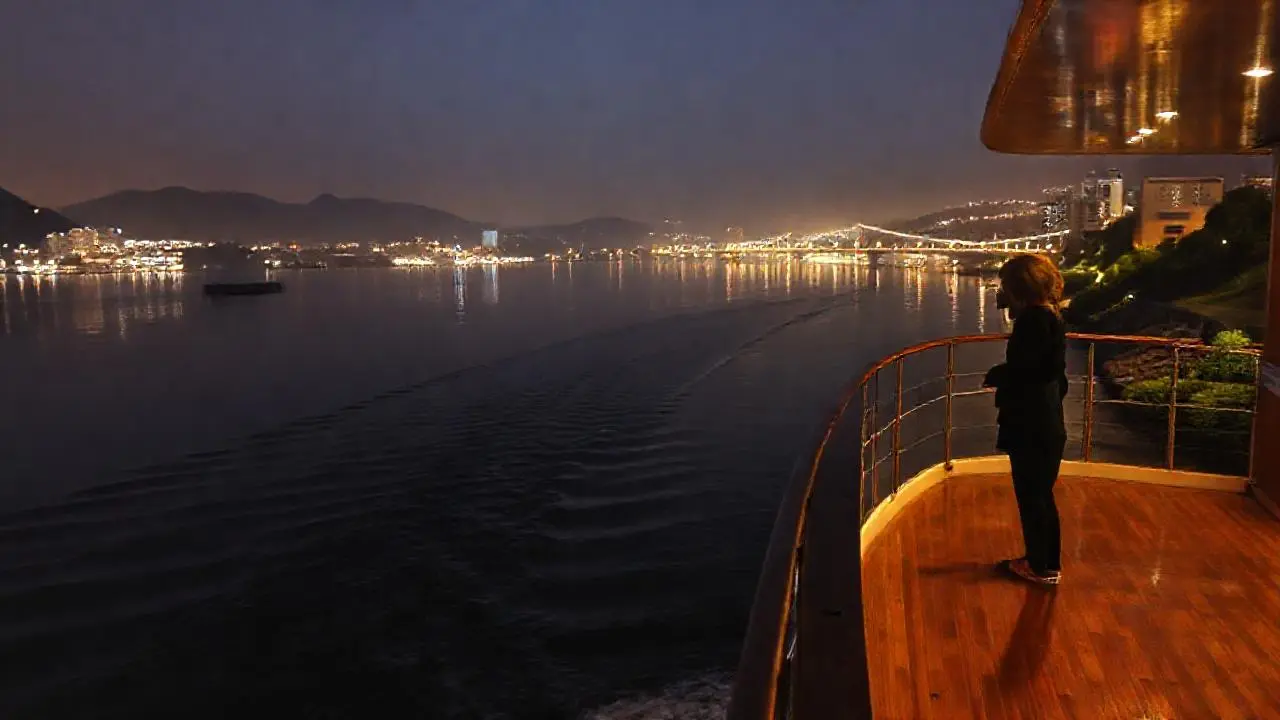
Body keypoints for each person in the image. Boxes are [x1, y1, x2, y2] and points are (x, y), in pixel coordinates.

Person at [983, 254, 1068, 586]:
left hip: (1031, 424)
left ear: (1019, 286)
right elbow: (1053, 374)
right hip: (1046, 420)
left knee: (1033, 497)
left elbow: (1030, 370)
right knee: (1042, 497)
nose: (1001, 291)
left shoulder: (1032, 321)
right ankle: (1045, 562)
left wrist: (998, 375)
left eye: (1005, 285)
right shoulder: (1051, 317)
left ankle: (1041, 568)